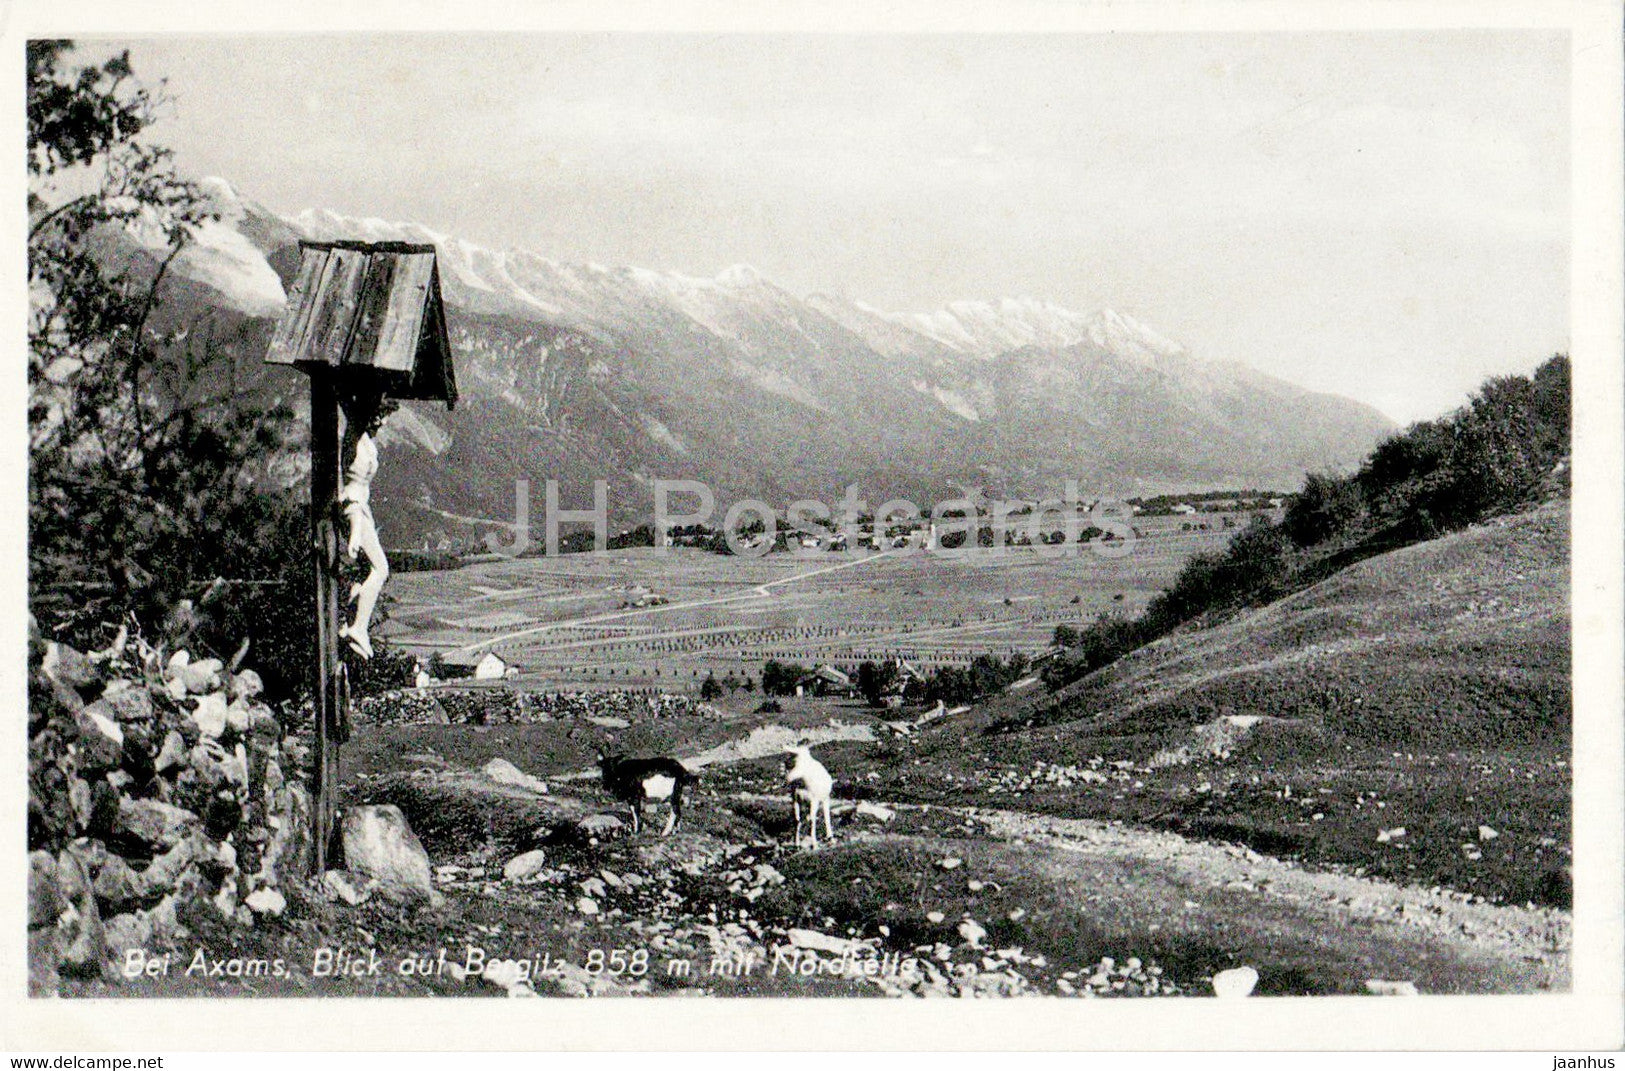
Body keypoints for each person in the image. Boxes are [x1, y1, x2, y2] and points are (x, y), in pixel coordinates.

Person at [336, 391, 395, 659]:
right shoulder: (355, 434)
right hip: (354, 507)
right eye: (378, 415)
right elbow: (347, 402)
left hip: (361, 507)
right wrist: (355, 533)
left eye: (383, 416)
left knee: (366, 573)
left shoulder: (364, 439)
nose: (381, 422)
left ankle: (350, 623)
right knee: (380, 568)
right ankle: (358, 627)